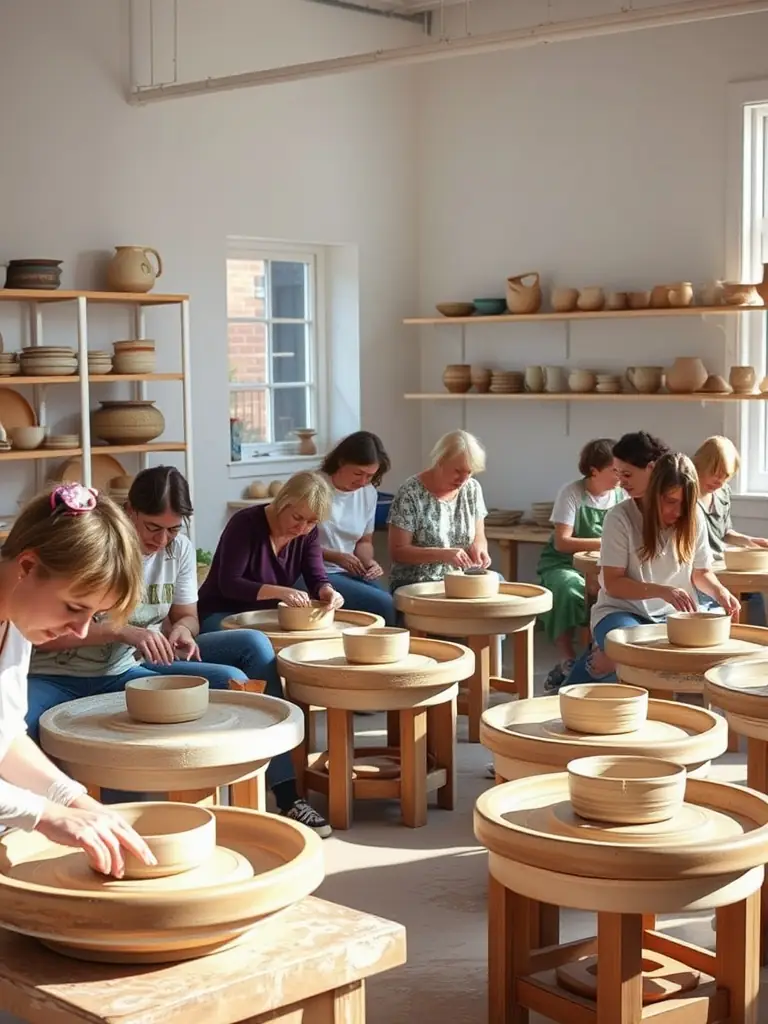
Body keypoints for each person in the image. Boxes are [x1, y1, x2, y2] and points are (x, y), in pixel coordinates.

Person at [28, 467, 331, 837]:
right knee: (12, 726)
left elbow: (187, 616)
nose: (162, 539)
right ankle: (49, 823)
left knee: (237, 679)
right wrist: (123, 632)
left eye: (173, 529)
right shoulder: (100, 546)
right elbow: (43, 634)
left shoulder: (179, 550)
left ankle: (280, 794)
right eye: (153, 527)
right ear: (130, 512)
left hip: (128, 669)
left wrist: (184, 632)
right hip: (56, 674)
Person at [0, 483, 156, 877]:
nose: (82, 632)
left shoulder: (18, 618)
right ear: (28, 566)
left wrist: (73, 799)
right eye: (74, 607)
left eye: (95, 615)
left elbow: (5, 738)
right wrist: (44, 814)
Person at [564, 452, 740, 685]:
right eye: (670, 501)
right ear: (653, 493)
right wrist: (662, 591)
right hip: (621, 610)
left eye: (684, 505)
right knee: (631, 653)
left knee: (704, 653)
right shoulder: (620, 517)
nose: (678, 512)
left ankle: (606, 661)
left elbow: (701, 573)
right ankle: (586, 674)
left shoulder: (694, 516)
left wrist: (720, 592)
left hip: (672, 617)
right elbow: (614, 583)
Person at [198, 470, 344, 623]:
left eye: (311, 522)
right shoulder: (245, 523)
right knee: (257, 641)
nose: (302, 528)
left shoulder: (309, 533)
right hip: (220, 611)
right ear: (282, 502)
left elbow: (316, 577)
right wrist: (280, 592)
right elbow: (230, 584)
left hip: (263, 616)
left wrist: (326, 591)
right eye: (297, 517)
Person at [537, 438, 624, 691]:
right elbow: (563, 543)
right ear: (594, 470)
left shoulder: (622, 496)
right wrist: (606, 542)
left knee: (609, 591)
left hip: (604, 566)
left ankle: (597, 657)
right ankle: (565, 658)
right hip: (564, 563)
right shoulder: (572, 493)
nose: (619, 475)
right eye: (613, 470)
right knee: (567, 587)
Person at [388, 430, 489, 592]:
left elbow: (479, 537)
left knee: (499, 586)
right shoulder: (410, 492)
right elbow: (398, 552)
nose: (463, 479)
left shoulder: (473, 489)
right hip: (416, 582)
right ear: (440, 461)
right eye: (458, 471)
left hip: (460, 578)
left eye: (469, 472)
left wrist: (479, 550)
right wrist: (444, 554)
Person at [316, 431, 396, 625]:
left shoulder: (368, 493)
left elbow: (364, 541)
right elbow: (289, 543)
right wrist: (336, 556)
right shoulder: (314, 486)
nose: (362, 481)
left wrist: (368, 562)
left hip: (346, 570)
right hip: (313, 571)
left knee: (394, 602)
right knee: (382, 603)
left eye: (370, 475)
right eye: (358, 473)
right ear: (341, 462)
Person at [693, 435, 767, 625]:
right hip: (699, 567)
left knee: (756, 593)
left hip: (720, 562)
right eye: (714, 473)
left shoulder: (722, 493)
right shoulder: (686, 494)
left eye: (726, 476)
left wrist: (749, 542)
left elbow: (725, 532)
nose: (719, 481)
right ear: (700, 466)